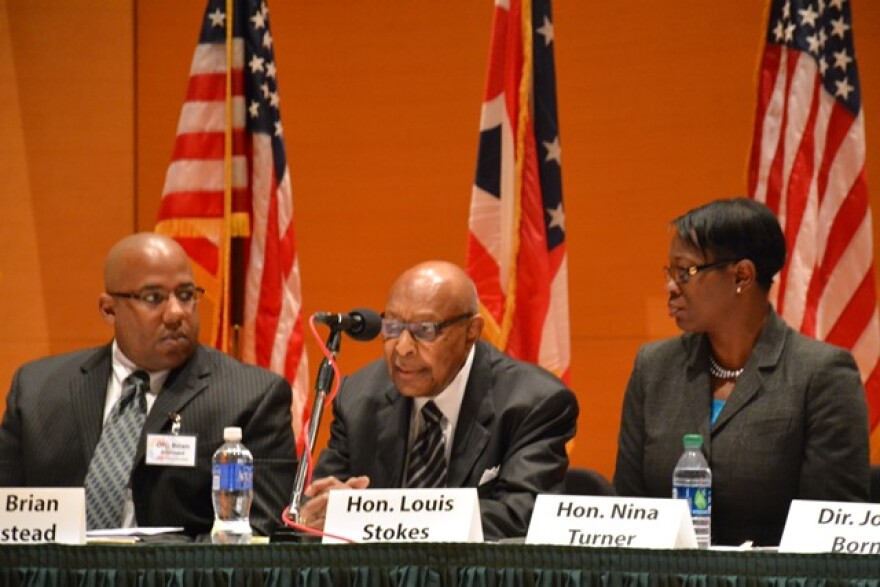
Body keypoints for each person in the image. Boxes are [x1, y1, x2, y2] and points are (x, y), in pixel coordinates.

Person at [0, 233, 296, 538]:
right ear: (108, 309)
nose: (176, 313)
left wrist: (139, 561)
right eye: (153, 298)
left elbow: (260, 534)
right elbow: (6, 519)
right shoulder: (37, 390)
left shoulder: (251, 397)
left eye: (185, 295)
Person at [613, 198, 870, 546]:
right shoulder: (654, 368)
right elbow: (628, 512)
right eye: (669, 273)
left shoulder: (820, 375)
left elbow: (830, 534)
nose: (670, 287)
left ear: (741, 276)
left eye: (684, 272)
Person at [297, 261, 578, 540]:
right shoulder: (359, 396)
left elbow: (521, 516)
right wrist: (327, 507)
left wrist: (378, 516)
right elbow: (316, 509)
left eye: (425, 330)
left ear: (472, 332)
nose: (403, 348)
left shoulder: (533, 402)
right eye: (392, 327)